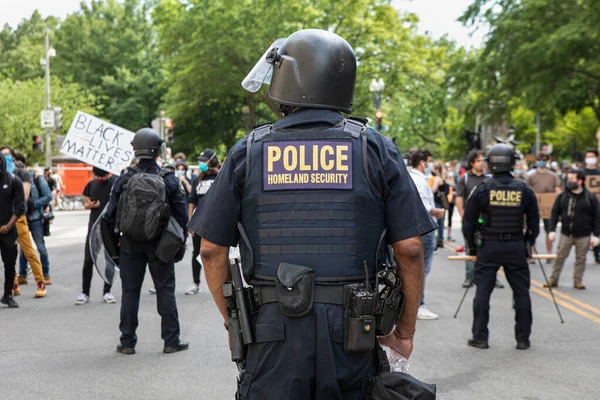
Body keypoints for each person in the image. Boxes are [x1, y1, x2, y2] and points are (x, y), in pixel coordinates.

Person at [190, 29, 436, 399]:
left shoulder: (249, 151)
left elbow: (210, 250)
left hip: (271, 333)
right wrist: (403, 333)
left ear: (286, 80)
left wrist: (234, 322)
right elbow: (411, 249)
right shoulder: (373, 148)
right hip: (353, 331)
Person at [104, 128, 189, 355]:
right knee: (165, 290)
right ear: (158, 151)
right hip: (160, 244)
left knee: (130, 293)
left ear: (135, 149)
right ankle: (171, 340)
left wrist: (115, 249)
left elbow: (109, 216)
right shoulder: (169, 178)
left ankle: (128, 342)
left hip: (130, 245)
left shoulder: (124, 178)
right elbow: (182, 216)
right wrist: (177, 244)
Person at [463, 144, 539, 350]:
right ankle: (523, 339)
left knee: (483, 293)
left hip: (489, 246)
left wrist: (473, 247)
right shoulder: (524, 189)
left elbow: (468, 222)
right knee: (522, 293)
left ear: (492, 164)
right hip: (515, 246)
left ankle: (480, 337)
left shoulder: (483, 189)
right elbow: (534, 222)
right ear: (512, 163)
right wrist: (528, 243)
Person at [0, 148, 46, 298]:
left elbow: (24, 198)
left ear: (13, 156)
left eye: (7, 154)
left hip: (18, 218)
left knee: (28, 250)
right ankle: (13, 285)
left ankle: (41, 282)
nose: (5, 157)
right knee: (10, 254)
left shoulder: (20, 174)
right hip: (4, 219)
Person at [455, 149, 504, 289]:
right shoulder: (464, 179)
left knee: (492, 249)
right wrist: (464, 215)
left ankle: (493, 277)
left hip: (488, 221)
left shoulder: (489, 179)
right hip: (471, 220)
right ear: (471, 163)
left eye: (483, 160)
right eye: (478, 161)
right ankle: (470, 277)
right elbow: (459, 198)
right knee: (471, 248)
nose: (481, 163)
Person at [545, 169, 600, 290]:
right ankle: (553, 280)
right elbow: (555, 213)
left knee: (581, 259)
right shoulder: (563, 196)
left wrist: (596, 235)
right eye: (568, 179)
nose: (568, 182)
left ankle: (578, 281)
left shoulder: (590, 197)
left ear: (580, 181)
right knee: (560, 257)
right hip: (566, 233)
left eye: (571, 179)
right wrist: (552, 230)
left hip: (584, 234)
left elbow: (597, 216)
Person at [410, 150, 444, 320]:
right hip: (424, 229)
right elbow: (424, 206)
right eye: (429, 161)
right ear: (422, 163)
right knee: (422, 269)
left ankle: (412, 304)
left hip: (413, 228)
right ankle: (419, 305)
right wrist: (437, 211)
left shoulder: (409, 177)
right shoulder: (420, 181)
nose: (430, 165)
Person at [75, 167, 116, 305]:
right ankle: (85, 292)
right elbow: (85, 203)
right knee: (88, 260)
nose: (101, 179)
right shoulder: (91, 184)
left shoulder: (115, 183)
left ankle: (107, 291)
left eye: (103, 176)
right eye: (99, 176)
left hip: (110, 227)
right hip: (94, 227)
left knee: (110, 260)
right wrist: (90, 205)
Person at [185, 149, 219, 295]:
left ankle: (220, 283)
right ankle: (195, 283)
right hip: (199, 222)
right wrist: (190, 220)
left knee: (218, 252)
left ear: (211, 161)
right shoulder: (196, 179)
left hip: (215, 221)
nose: (201, 163)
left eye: (204, 160)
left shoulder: (220, 177)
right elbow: (191, 200)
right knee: (197, 252)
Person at [20, 166, 53, 284]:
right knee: (25, 248)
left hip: (35, 218)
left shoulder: (37, 179)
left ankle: (46, 274)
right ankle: (22, 275)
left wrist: (34, 204)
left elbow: (48, 196)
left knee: (40, 247)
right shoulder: (14, 179)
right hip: (21, 217)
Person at [525, 153, 561, 262]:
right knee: (532, 230)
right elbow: (527, 189)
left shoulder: (552, 175)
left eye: (544, 159)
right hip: (534, 206)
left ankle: (549, 254)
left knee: (549, 231)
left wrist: (556, 198)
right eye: (540, 159)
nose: (542, 161)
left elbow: (558, 189)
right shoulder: (531, 176)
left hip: (548, 207)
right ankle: (532, 253)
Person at [0, 152, 25, 308]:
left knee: (10, 263)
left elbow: (20, 206)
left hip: (8, 230)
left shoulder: (14, 181)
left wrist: (8, 226)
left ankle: (8, 294)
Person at [581, 148, 600, 262]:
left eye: (592, 156)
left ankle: (598, 252)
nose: (590, 159)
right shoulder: (581, 173)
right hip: (584, 205)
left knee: (598, 228)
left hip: (598, 204)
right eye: (588, 157)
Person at [429, 162, 448, 249]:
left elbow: (433, 190)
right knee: (441, 222)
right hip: (441, 202)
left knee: (437, 222)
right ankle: (440, 239)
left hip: (437, 202)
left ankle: (438, 240)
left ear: (436, 170)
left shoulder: (436, 179)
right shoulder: (442, 178)